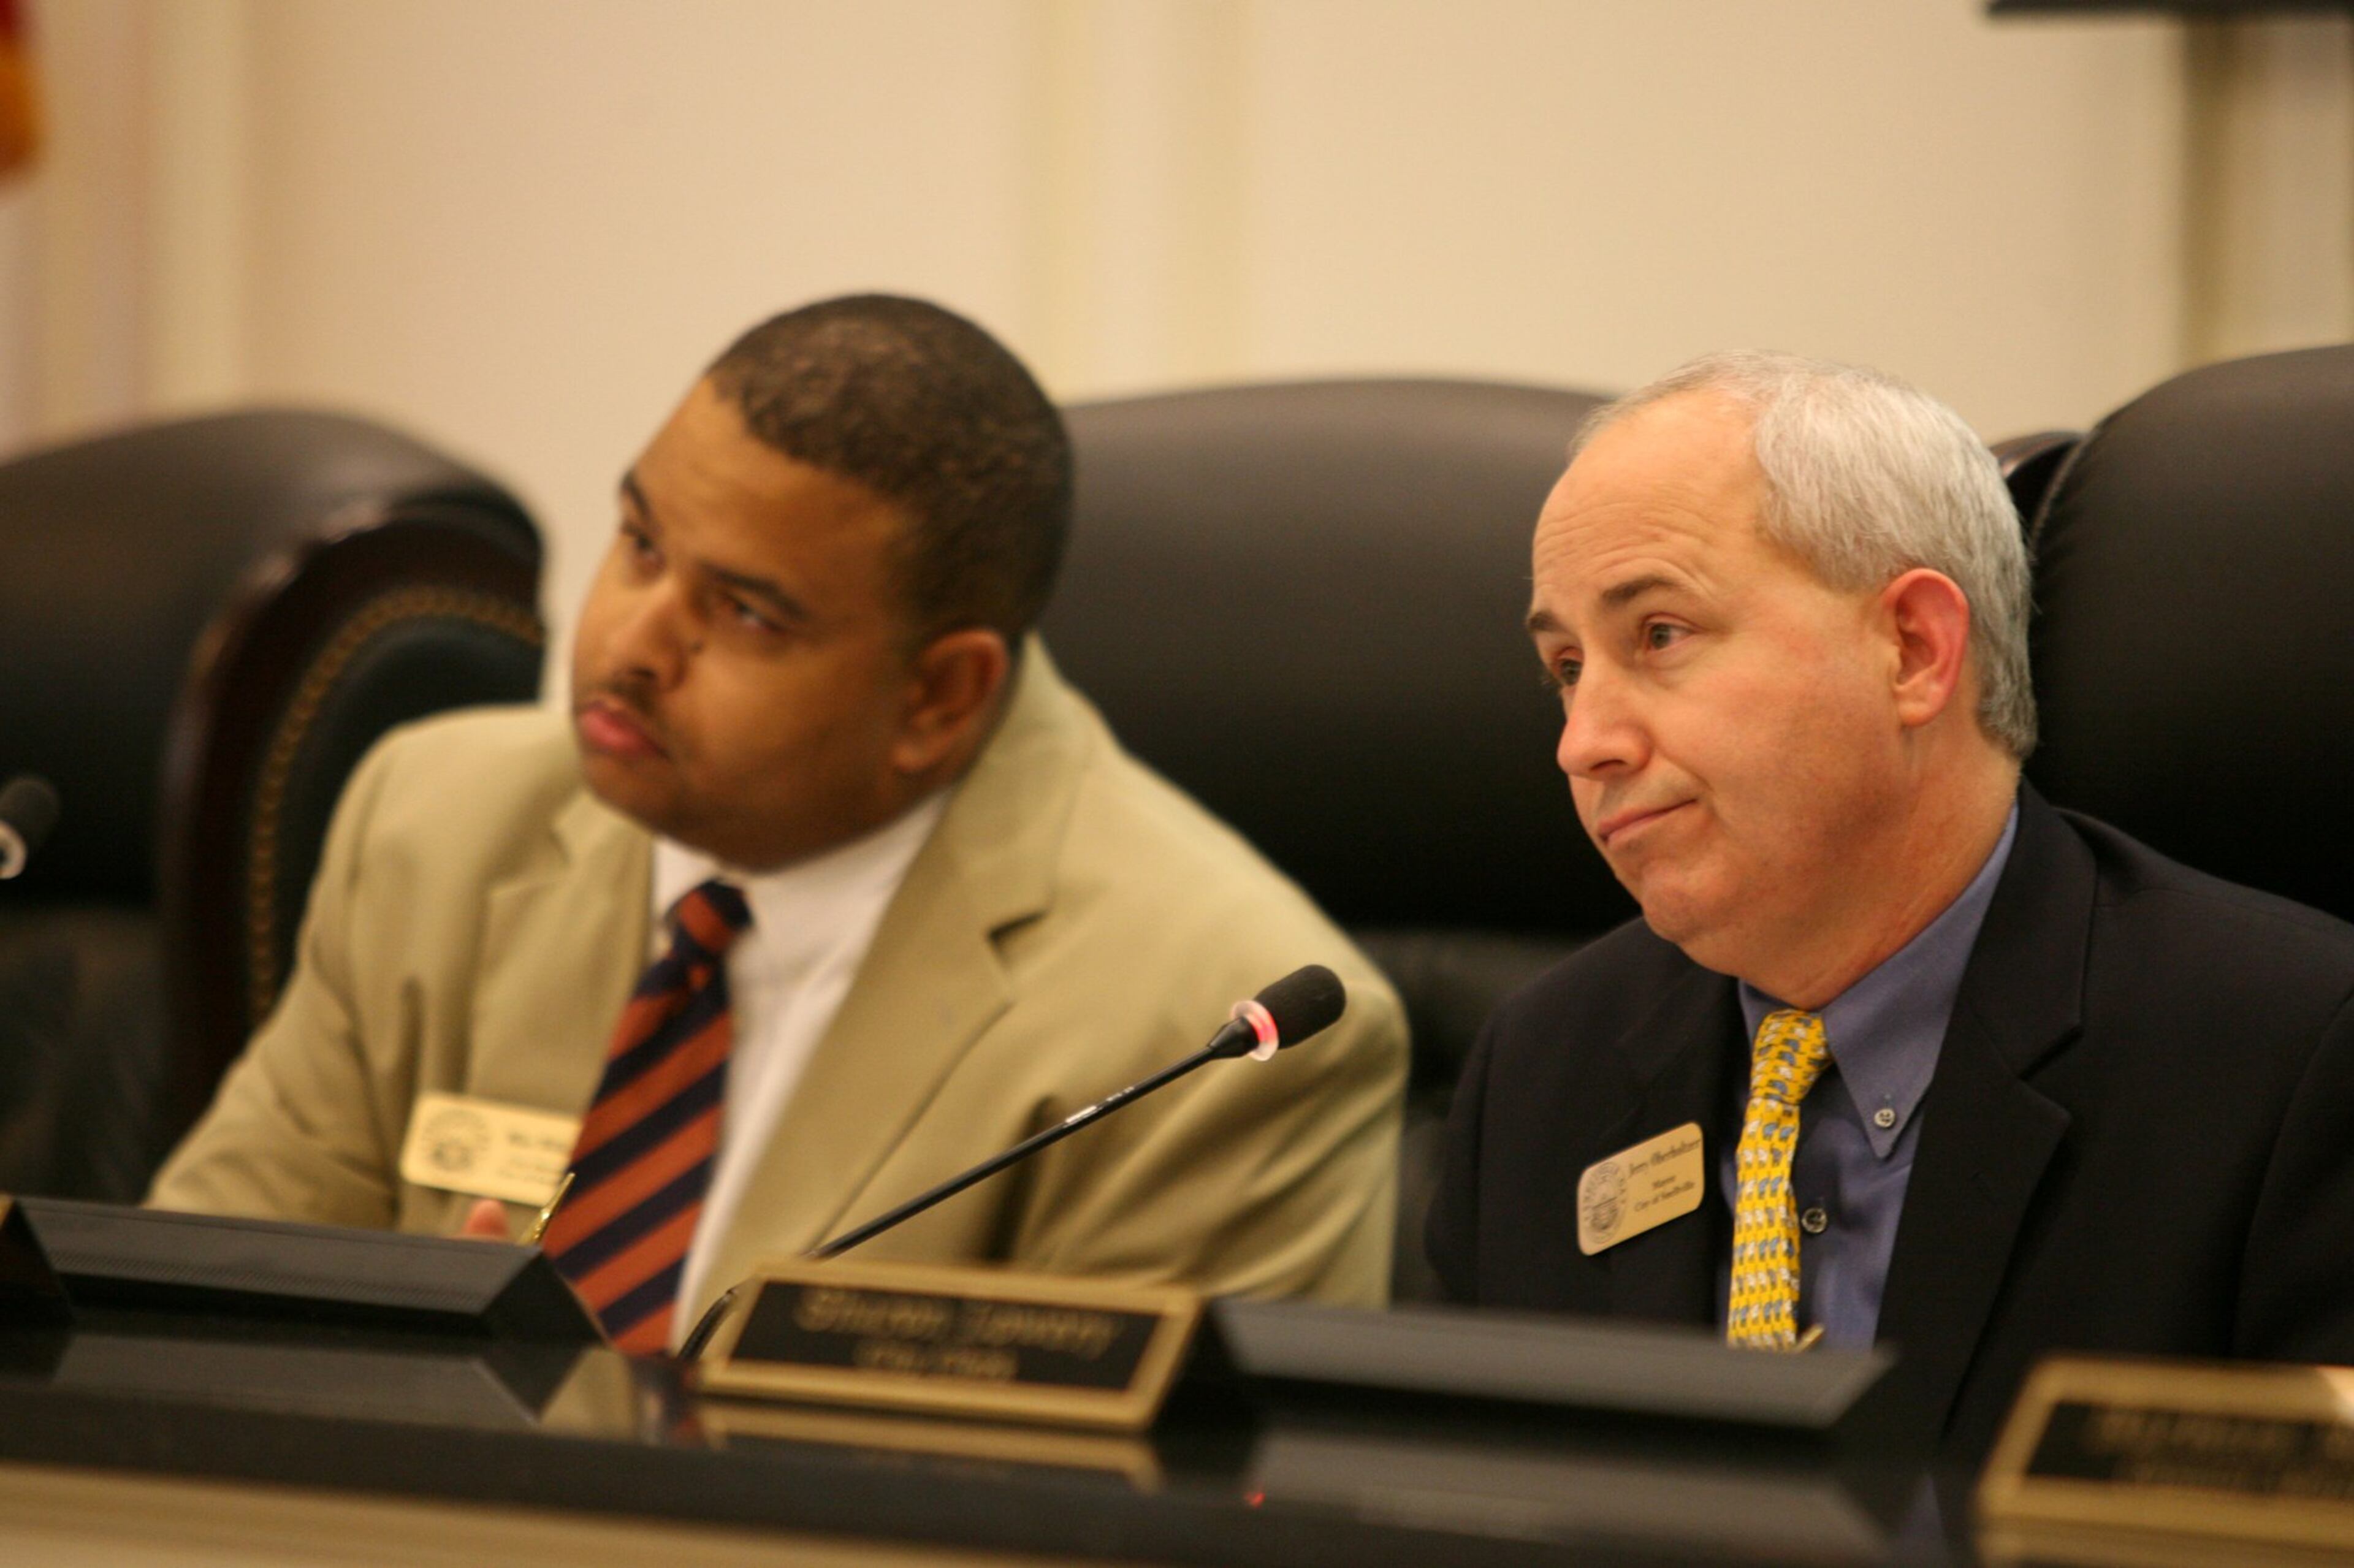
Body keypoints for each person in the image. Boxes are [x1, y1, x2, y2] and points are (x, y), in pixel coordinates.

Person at [153, 294, 1406, 1352]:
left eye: (746, 613)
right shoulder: (436, 823)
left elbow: (1111, 1529)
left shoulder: (1213, 1032)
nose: (634, 644)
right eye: (640, 541)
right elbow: (177, 1327)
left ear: (939, 695)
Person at [1426, 351, 2354, 1458]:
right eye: (1568, 668)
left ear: (1914, 648)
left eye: (1659, 636)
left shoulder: (2293, 1055)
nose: (1586, 742)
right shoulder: (1541, 1070)